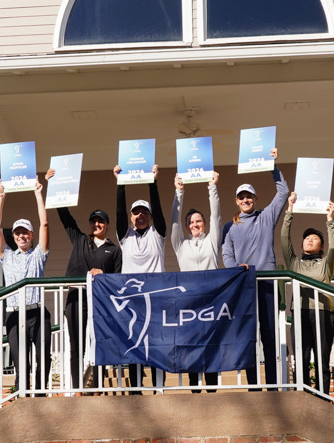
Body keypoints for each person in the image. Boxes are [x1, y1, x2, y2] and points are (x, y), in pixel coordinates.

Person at [221, 148, 288, 388]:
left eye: (249, 196)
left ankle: (271, 385)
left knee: (269, 336)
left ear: (255, 199)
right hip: (244, 285)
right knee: (249, 337)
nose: (246, 200)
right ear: (236, 201)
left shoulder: (266, 217)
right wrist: (235, 268)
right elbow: (226, 253)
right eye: (242, 197)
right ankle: (253, 386)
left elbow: (283, 192)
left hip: (267, 283)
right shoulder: (230, 226)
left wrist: (272, 165)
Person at [53, 188, 123, 391]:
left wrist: (103, 275)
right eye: (94, 221)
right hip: (76, 298)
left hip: (100, 303)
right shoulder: (81, 240)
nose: (97, 224)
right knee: (76, 347)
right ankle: (76, 388)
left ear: (107, 225)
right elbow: (65, 218)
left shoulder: (114, 249)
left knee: (98, 344)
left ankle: (98, 386)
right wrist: (55, 187)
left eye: (101, 221)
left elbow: (117, 279)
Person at [0, 176, 50, 393]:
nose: (21, 236)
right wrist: (1, 198)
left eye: (25, 232)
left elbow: (45, 223)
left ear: (31, 235)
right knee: (20, 359)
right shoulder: (7, 256)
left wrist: (37, 193)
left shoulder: (38, 255)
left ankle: (41, 392)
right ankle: (22, 394)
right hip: (15, 314)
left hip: (37, 314)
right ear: (14, 237)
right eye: (18, 233)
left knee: (43, 356)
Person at [115, 163, 168, 390]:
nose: (140, 216)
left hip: (156, 300)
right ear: (131, 217)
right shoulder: (124, 236)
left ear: (150, 216)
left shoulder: (158, 234)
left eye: (144, 212)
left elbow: (157, 206)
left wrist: (152, 181)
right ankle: (136, 389)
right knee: (134, 344)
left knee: (157, 345)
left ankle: (159, 387)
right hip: (133, 302)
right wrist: (119, 183)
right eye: (136, 213)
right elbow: (118, 213)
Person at [281, 195, 334, 394]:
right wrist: (290, 210)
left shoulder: (325, 265)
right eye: (306, 238)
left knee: (322, 360)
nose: (309, 240)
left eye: (314, 238)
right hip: (299, 313)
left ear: (320, 246)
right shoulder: (295, 263)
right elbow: (283, 239)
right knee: (302, 359)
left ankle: (323, 401)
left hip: (322, 314)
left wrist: (330, 219)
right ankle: (303, 399)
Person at [170, 171, 222, 389]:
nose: (195, 224)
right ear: (187, 226)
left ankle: (211, 391)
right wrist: (179, 192)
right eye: (191, 222)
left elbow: (216, 217)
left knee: (211, 348)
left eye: (199, 221)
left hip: (211, 302)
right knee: (191, 348)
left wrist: (212, 188)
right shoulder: (181, 246)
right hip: (189, 304)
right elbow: (173, 222)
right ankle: (194, 391)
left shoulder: (212, 241)